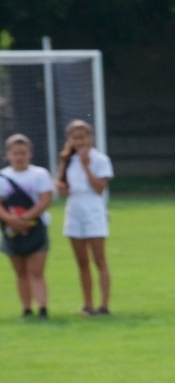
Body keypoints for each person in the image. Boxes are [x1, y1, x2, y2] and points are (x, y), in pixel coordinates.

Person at [54, 118, 113, 316]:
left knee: (99, 259)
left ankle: (104, 304)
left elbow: (99, 188)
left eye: (83, 137)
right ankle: (88, 304)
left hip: (93, 210)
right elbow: (63, 190)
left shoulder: (100, 160)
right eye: (75, 138)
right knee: (82, 262)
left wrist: (86, 165)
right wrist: (61, 187)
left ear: (90, 137)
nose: (79, 142)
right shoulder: (67, 160)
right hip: (74, 210)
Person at [1, 133, 54, 319]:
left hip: (35, 227)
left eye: (23, 153)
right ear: (8, 154)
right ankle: (26, 308)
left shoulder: (40, 174)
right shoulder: (3, 177)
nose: (19, 157)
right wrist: (11, 220)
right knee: (20, 271)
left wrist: (25, 218)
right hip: (11, 229)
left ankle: (42, 308)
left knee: (36, 271)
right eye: (16, 153)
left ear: (30, 154)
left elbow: (45, 200)